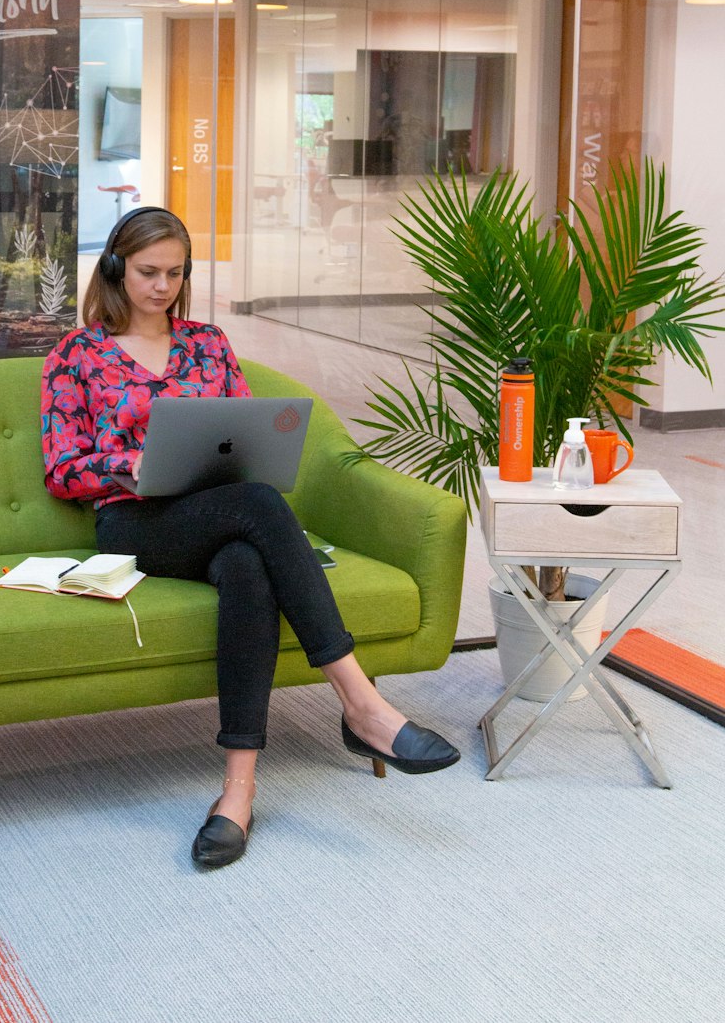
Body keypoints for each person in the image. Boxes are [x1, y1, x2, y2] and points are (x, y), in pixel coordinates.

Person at [41, 206, 460, 870]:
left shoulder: (209, 344)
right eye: (149, 271)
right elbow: (61, 469)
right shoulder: (76, 354)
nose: (163, 286)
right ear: (117, 268)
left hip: (221, 516)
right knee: (260, 509)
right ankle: (362, 704)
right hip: (135, 524)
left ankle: (237, 793)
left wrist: (241, 457)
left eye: (175, 273)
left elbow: (244, 435)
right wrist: (131, 465)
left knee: (247, 564)